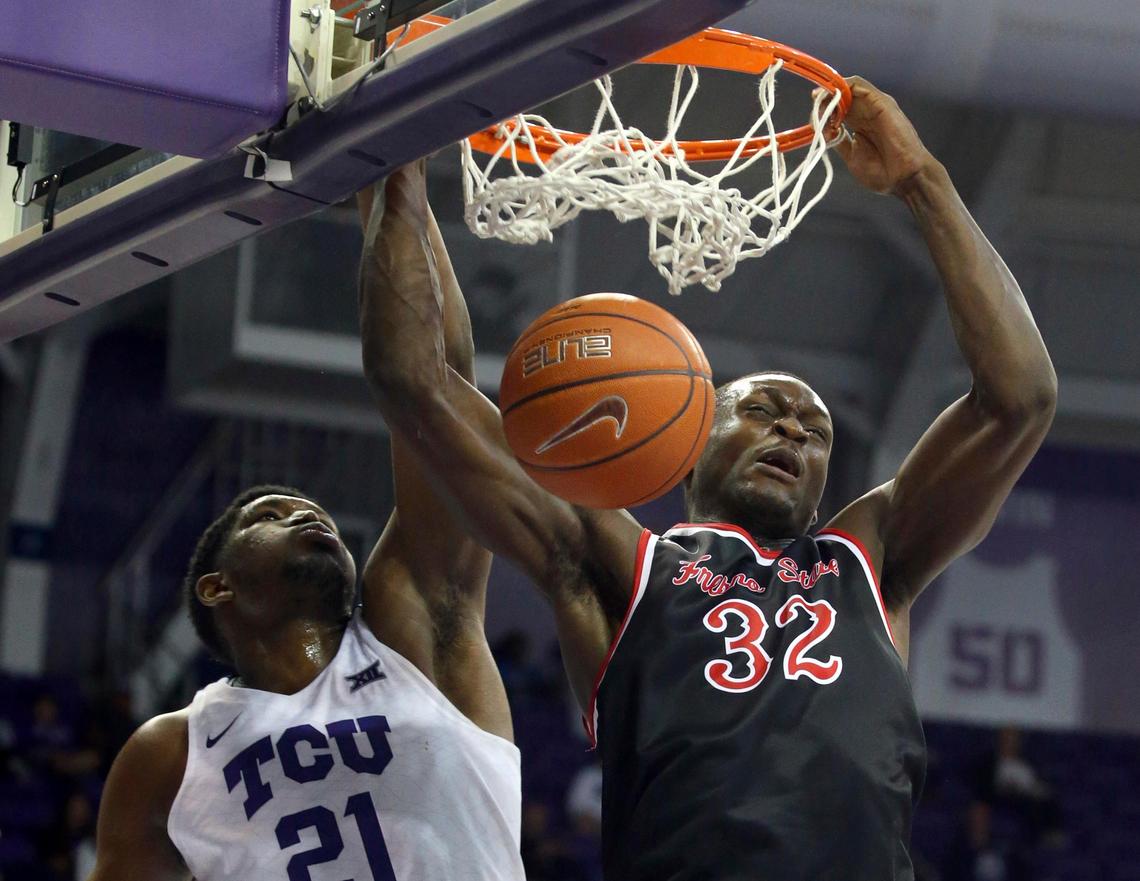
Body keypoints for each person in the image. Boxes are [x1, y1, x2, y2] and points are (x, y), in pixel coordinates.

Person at [360, 78, 1057, 881]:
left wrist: (920, 179)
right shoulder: (620, 560)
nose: (793, 427)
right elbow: (417, 382)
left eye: (815, 429)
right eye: (762, 409)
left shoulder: (869, 560)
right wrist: (397, 170)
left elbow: (1020, 399)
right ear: (691, 441)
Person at [84, 184, 525, 881]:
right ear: (215, 584)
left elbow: (440, 395)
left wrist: (390, 177)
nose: (306, 512)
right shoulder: (169, 755)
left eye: (307, 510)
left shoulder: (416, 637)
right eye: (270, 513)